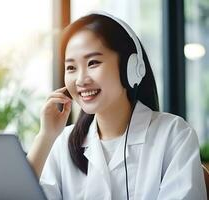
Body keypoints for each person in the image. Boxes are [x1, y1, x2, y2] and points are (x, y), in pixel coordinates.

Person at [27, 12, 207, 200]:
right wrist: (45, 137)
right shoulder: (63, 143)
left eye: (93, 62)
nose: (80, 80)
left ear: (130, 67)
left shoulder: (174, 135)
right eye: (71, 67)